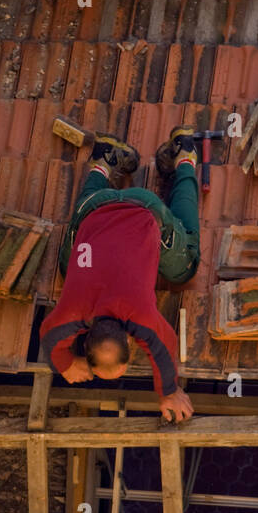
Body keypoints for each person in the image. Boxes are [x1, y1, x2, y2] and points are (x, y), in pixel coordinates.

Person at [40, 127, 201, 423]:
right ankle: (102, 159)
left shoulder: (139, 314)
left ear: (130, 342)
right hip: (94, 208)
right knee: (71, 264)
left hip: (144, 208)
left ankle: (185, 157)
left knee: (187, 265)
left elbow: (165, 347)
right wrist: (64, 364)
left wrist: (168, 393)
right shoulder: (72, 311)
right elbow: (49, 338)